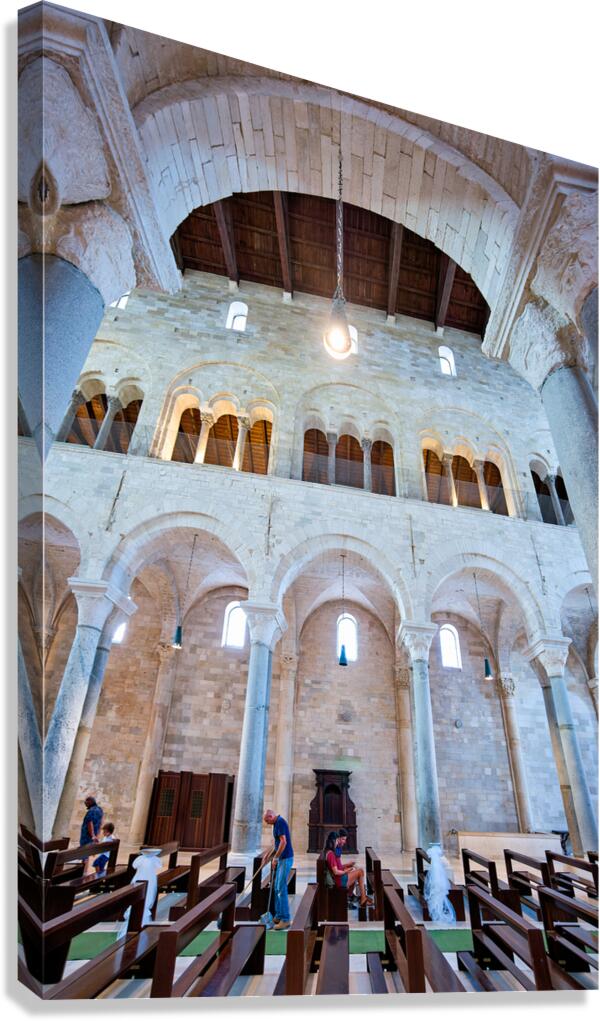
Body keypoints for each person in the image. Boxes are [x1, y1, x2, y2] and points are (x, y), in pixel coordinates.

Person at [263, 809, 294, 930]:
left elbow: (283, 842)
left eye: (267, 820)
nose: (266, 823)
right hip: (282, 859)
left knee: (281, 888)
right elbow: (277, 843)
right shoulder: (276, 823)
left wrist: (275, 858)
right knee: (276, 887)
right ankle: (279, 915)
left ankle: (285, 919)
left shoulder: (280, 822)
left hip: (285, 859)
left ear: (271, 816)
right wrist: (268, 854)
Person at [325, 831, 373, 909]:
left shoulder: (330, 852)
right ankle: (363, 899)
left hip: (337, 878)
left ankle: (350, 896)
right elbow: (336, 871)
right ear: (334, 841)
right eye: (337, 840)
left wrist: (347, 866)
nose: (338, 843)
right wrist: (345, 870)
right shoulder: (332, 853)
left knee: (354, 871)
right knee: (360, 872)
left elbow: (337, 867)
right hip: (339, 880)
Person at [80, 795, 103, 875]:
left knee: (84, 856)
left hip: (87, 837)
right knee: (87, 855)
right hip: (93, 837)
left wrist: (93, 835)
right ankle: (84, 872)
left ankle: (83, 873)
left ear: (90, 801)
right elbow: (100, 823)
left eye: (86, 801)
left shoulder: (91, 811)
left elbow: (90, 823)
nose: (85, 803)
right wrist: (97, 835)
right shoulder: (100, 810)